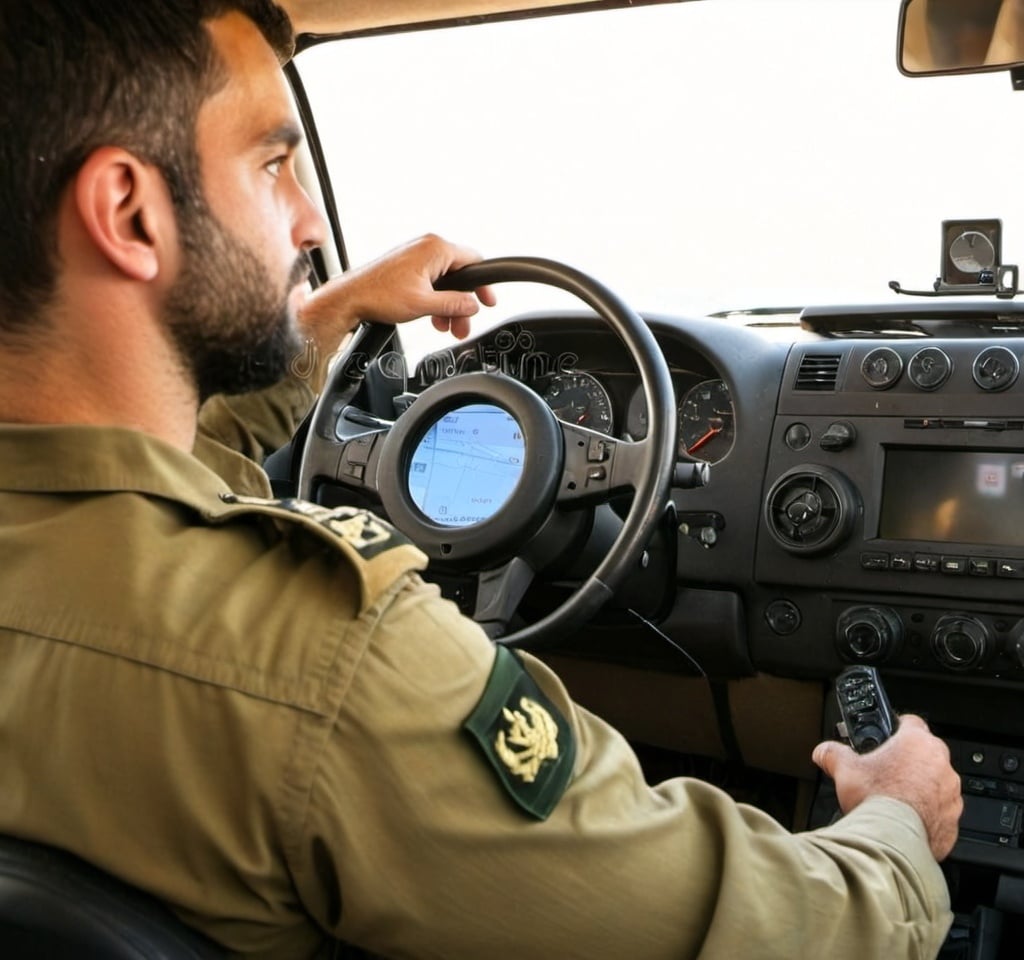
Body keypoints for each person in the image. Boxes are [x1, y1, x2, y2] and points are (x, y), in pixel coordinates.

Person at [0, 1, 962, 958]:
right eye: (270, 163)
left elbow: (173, 453)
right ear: (128, 210)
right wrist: (897, 825)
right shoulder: (328, 663)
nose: (305, 219)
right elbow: (790, 932)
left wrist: (331, 313)